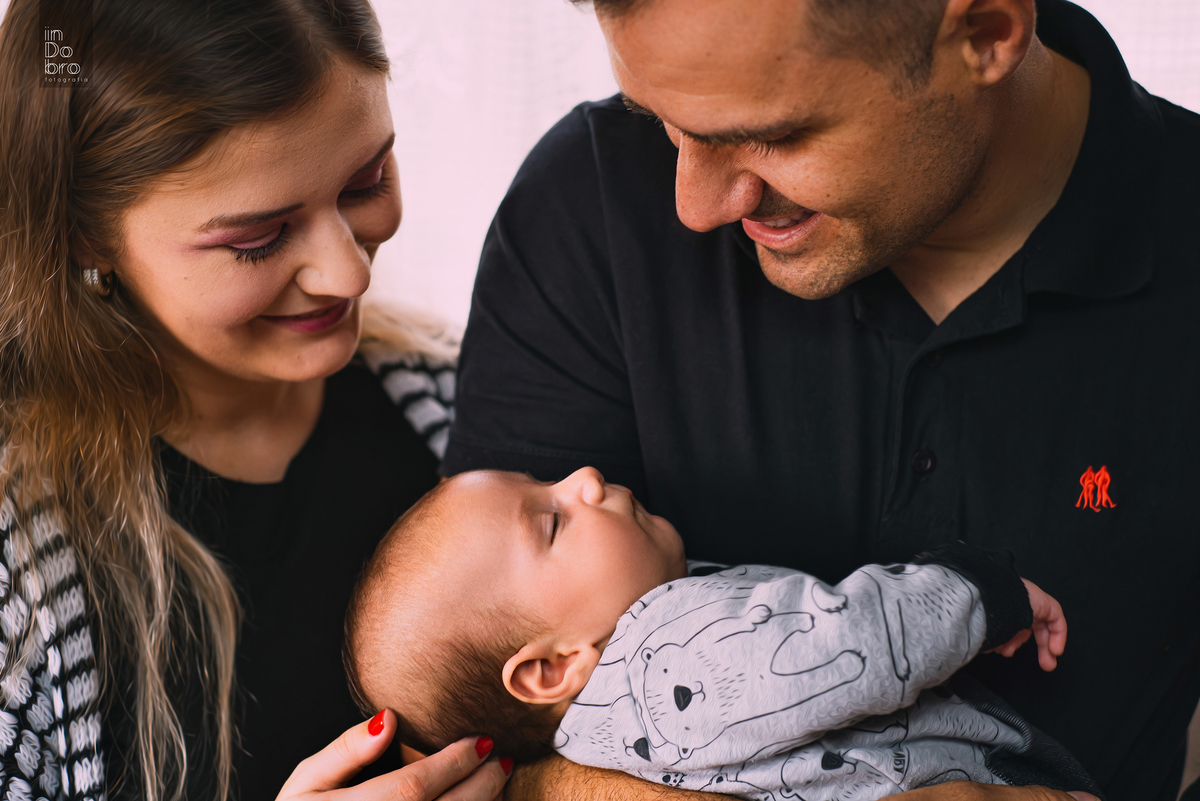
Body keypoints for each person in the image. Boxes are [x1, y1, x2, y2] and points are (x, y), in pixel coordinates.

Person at [443, 0, 1200, 799]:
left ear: (985, 32)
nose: (694, 207)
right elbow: (477, 737)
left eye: (771, 135)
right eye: (665, 123)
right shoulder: (592, 202)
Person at [0, 1, 509, 800]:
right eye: (257, 239)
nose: (349, 275)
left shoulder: (460, 409)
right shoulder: (16, 570)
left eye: (366, 181)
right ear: (83, 233)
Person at [345, 467, 1102, 799]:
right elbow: (857, 643)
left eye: (545, 479)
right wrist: (978, 593)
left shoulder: (609, 735)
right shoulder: (667, 656)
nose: (582, 477)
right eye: (552, 519)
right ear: (550, 669)